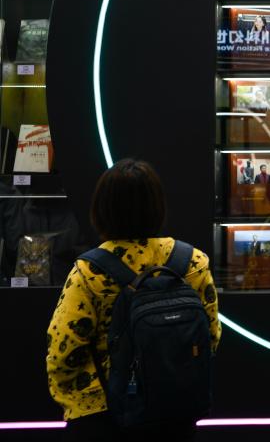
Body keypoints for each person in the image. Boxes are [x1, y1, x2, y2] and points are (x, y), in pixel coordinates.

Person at [45, 159, 221, 441]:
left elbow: (63, 352)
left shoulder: (90, 271)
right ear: (158, 206)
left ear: (102, 209)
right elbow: (210, 336)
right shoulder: (193, 263)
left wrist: (83, 403)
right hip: (177, 410)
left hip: (106, 417)